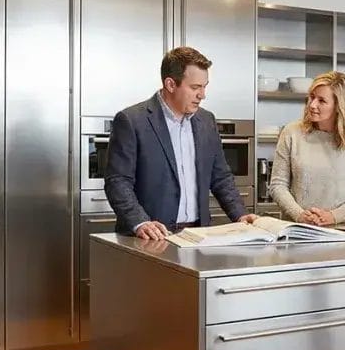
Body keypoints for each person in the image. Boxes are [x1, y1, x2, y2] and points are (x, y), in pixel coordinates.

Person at [104, 47, 257, 240]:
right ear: (170, 84)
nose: (202, 95)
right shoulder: (132, 120)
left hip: (197, 235)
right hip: (151, 238)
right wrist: (140, 222)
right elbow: (118, 181)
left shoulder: (207, 120)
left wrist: (240, 214)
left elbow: (221, 177)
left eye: (204, 86)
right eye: (195, 87)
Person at [268, 71, 345, 226]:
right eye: (312, 97)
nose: (312, 105)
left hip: (343, 233)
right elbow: (277, 185)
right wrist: (300, 215)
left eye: (322, 101)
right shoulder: (291, 132)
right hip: (298, 230)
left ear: (339, 106)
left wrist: (332, 216)